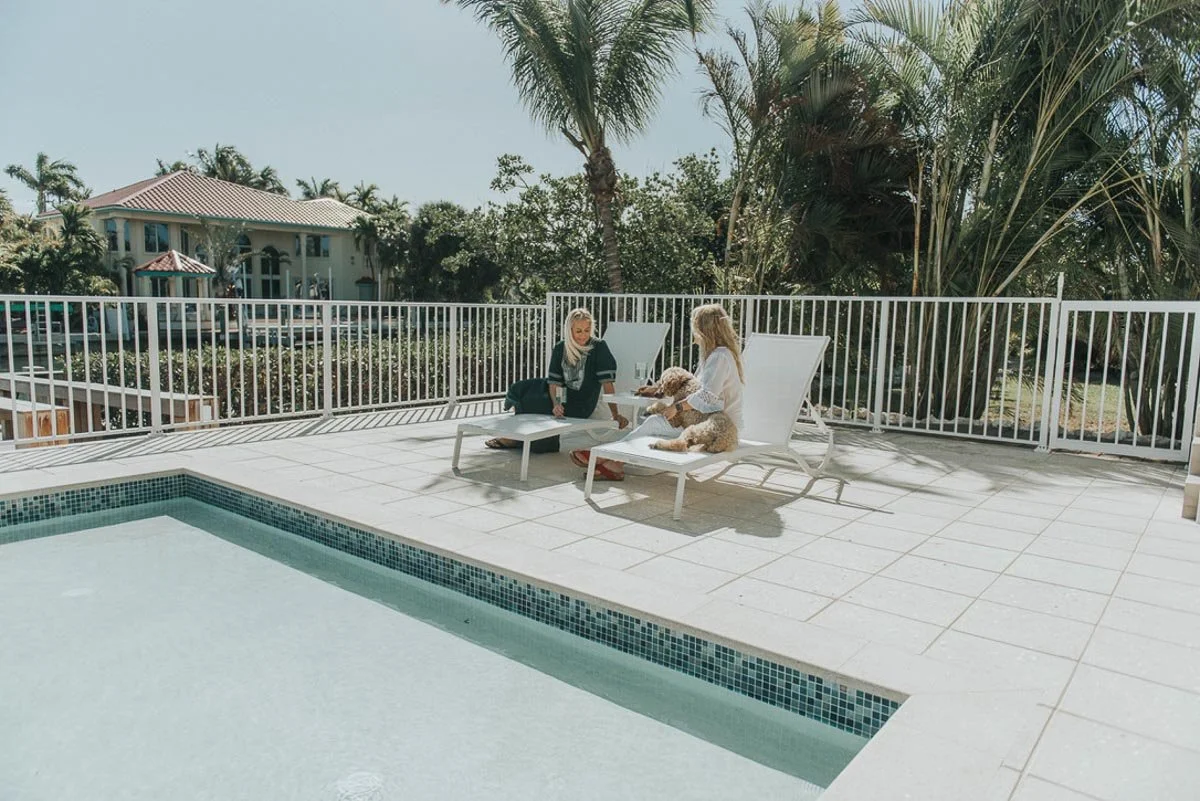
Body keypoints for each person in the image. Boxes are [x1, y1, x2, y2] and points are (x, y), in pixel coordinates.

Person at [570, 303, 745, 480]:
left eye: (694, 327)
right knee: (653, 422)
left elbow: (708, 396)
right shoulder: (714, 355)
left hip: (717, 427)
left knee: (654, 423)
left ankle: (607, 457)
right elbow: (693, 385)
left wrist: (677, 407)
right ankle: (613, 462)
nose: (693, 333)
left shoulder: (720, 356)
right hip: (702, 419)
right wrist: (658, 389)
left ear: (703, 330)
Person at [487, 307, 629, 453]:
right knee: (523, 389)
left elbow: (607, 384)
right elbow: (554, 382)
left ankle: (529, 442)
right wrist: (556, 404)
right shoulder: (561, 347)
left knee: (537, 401)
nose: (583, 335)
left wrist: (615, 414)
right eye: (578, 331)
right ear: (570, 330)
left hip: (580, 404)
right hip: (560, 396)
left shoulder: (599, 347)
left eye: (587, 330)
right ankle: (520, 437)